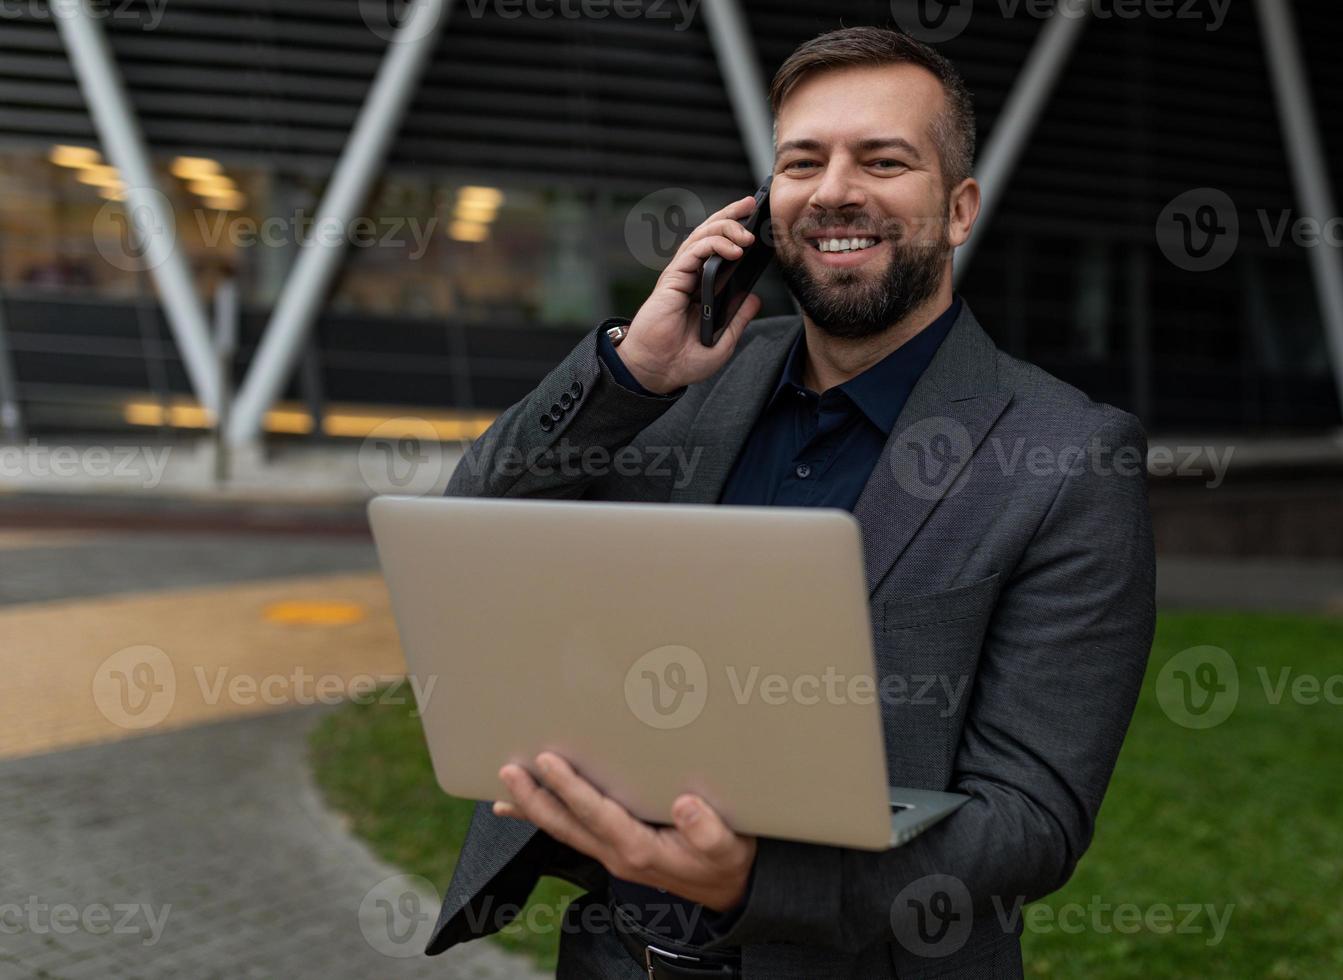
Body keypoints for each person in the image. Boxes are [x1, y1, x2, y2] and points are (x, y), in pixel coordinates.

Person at [424, 26, 1156, 979]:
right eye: (802, 162)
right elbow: (477, 522)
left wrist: (756, 881)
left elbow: (1032, 815)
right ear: (767, 203)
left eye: (883, 160)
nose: (836, 189)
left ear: (960, 207)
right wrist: (631, 373)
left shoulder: (1068, 457)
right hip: (612, 952)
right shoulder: (680, 379)